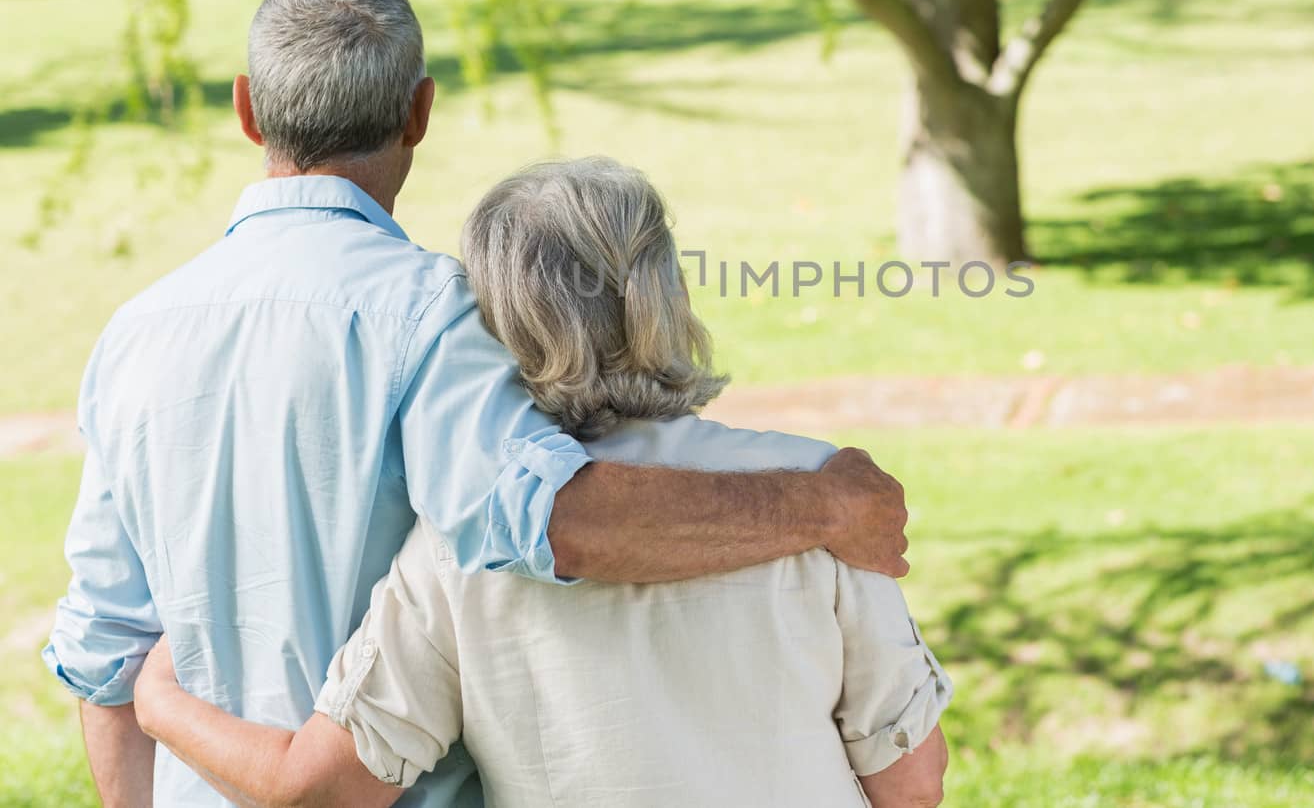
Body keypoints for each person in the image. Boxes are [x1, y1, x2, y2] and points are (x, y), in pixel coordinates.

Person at [44, 0, 910, 807]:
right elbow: (561, 520)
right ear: (420, 112)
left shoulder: (132, 334)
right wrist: (824, 510)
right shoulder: (429, 311)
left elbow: (104, 652)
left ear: (245, 108)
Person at [133, 157, 952, 807]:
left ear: (498, 325)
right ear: (665, 291)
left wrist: (157, 697)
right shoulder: (831, 501)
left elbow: (320, 789)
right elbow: (911, 784)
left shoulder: (456, 550)